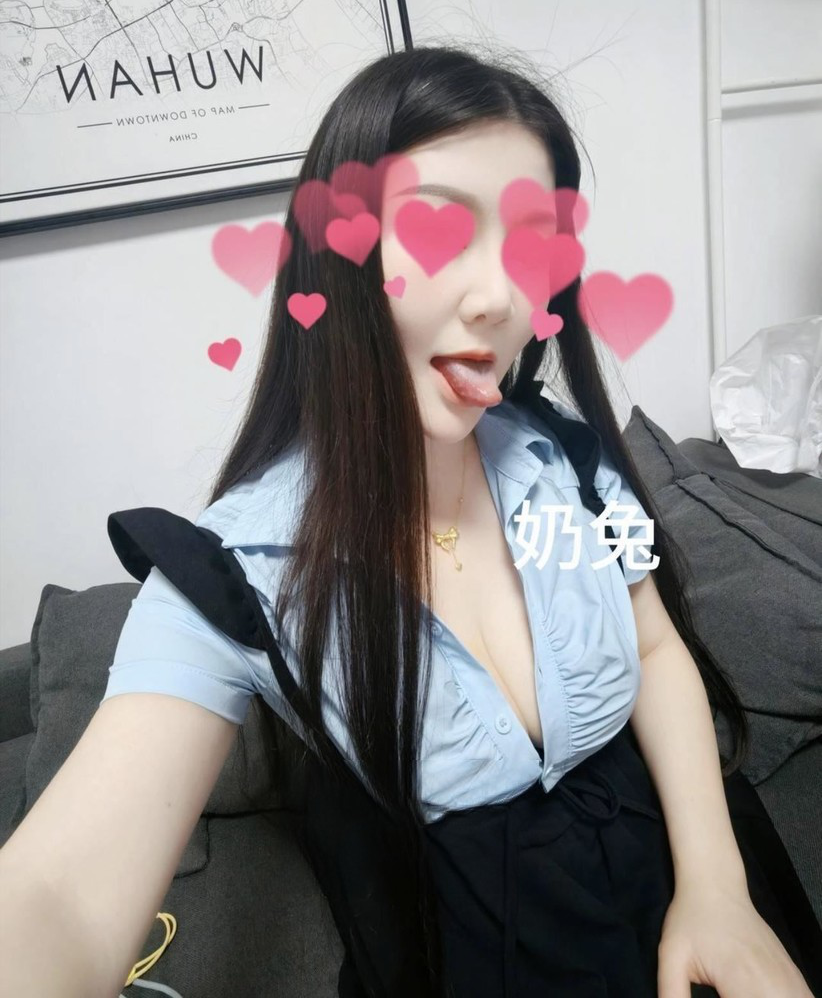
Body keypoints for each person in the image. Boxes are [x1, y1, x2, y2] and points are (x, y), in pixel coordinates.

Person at [2, 44, 819, 998]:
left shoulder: (569, 466)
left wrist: (719, 891)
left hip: (699, 879)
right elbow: (59, 895)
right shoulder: (242, 574)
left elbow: (656, 647)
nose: (500, 298)